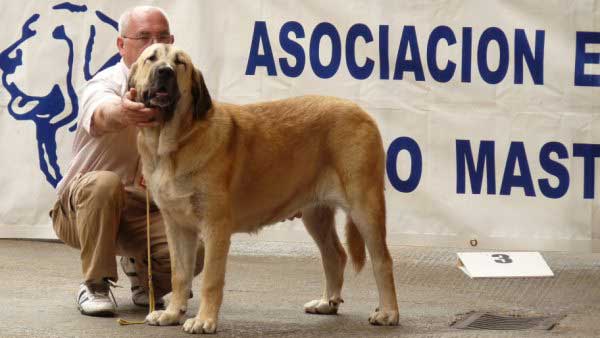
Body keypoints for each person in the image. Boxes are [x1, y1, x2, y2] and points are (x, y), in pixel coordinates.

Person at [50, 6, 204, 317]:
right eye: (143, 37)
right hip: (81, 208)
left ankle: (144, 278)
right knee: (105, 183)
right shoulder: (104, 83)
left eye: (161, 37)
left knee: (194, 251)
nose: (153, 45)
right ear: (122, 45)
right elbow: (102, 113)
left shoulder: (184, 90)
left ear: (172, 42)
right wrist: (124, 111)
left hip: (142, 209)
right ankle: (94, 283)